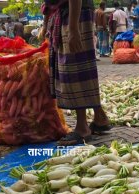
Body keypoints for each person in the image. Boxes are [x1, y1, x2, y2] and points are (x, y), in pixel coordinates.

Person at [42, 0, 111, 145]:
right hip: (69, 14)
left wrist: (73, 29)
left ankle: (82, 128)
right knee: (82, 66)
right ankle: (100, 117)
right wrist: (45, 24)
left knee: (74, 70)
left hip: (75, 14)